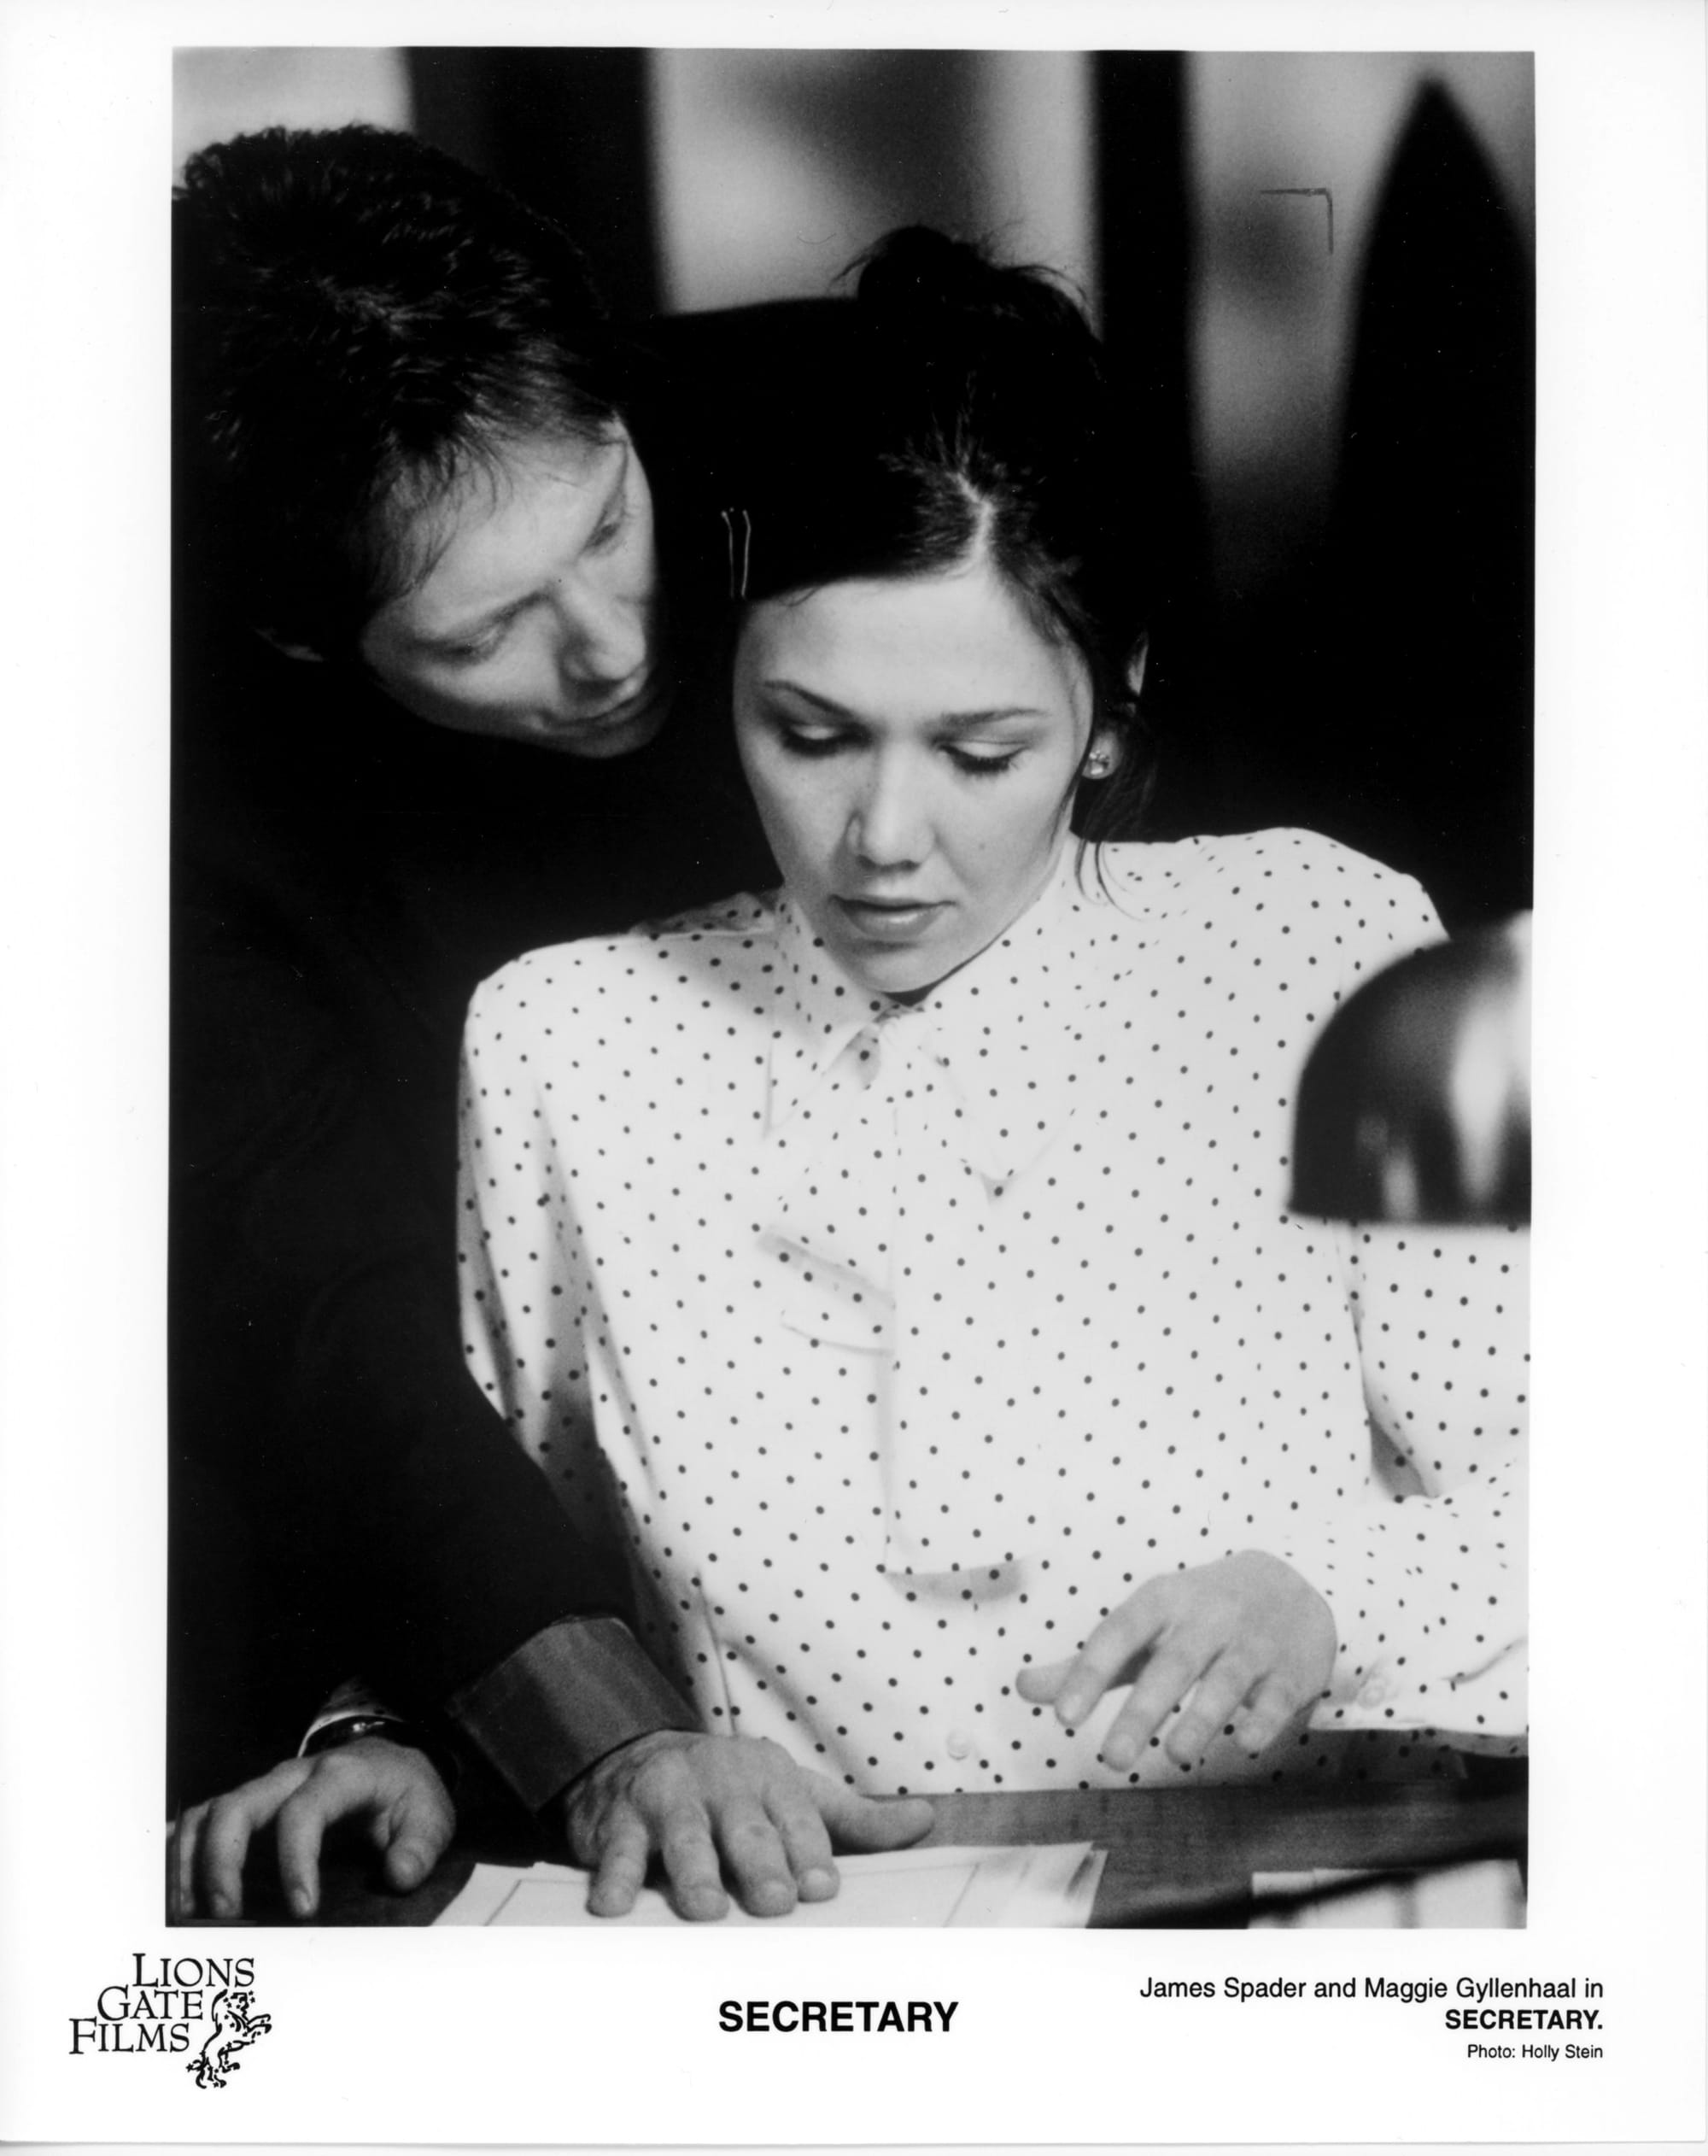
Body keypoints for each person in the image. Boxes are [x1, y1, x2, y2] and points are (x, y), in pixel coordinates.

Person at [175, 228, 1526, 1919]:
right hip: (808, 1955)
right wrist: (400, 1730)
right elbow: (509, 1517)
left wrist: (1334, 1593)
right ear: (726, 672)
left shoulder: (1327, 935)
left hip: (1317, 1897)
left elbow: (1577, 1488)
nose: (884, 841)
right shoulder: (563, 1035)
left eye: (980, 749)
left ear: (1113, 701)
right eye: (806, 734)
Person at [168, 124, 933, 1922]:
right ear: (305, 639)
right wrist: (587, 1726)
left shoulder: (866, 449)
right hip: (532, 1501)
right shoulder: (192, 792)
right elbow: (331, 1292)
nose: (608, 648)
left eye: (606, 519)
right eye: (489, 627)